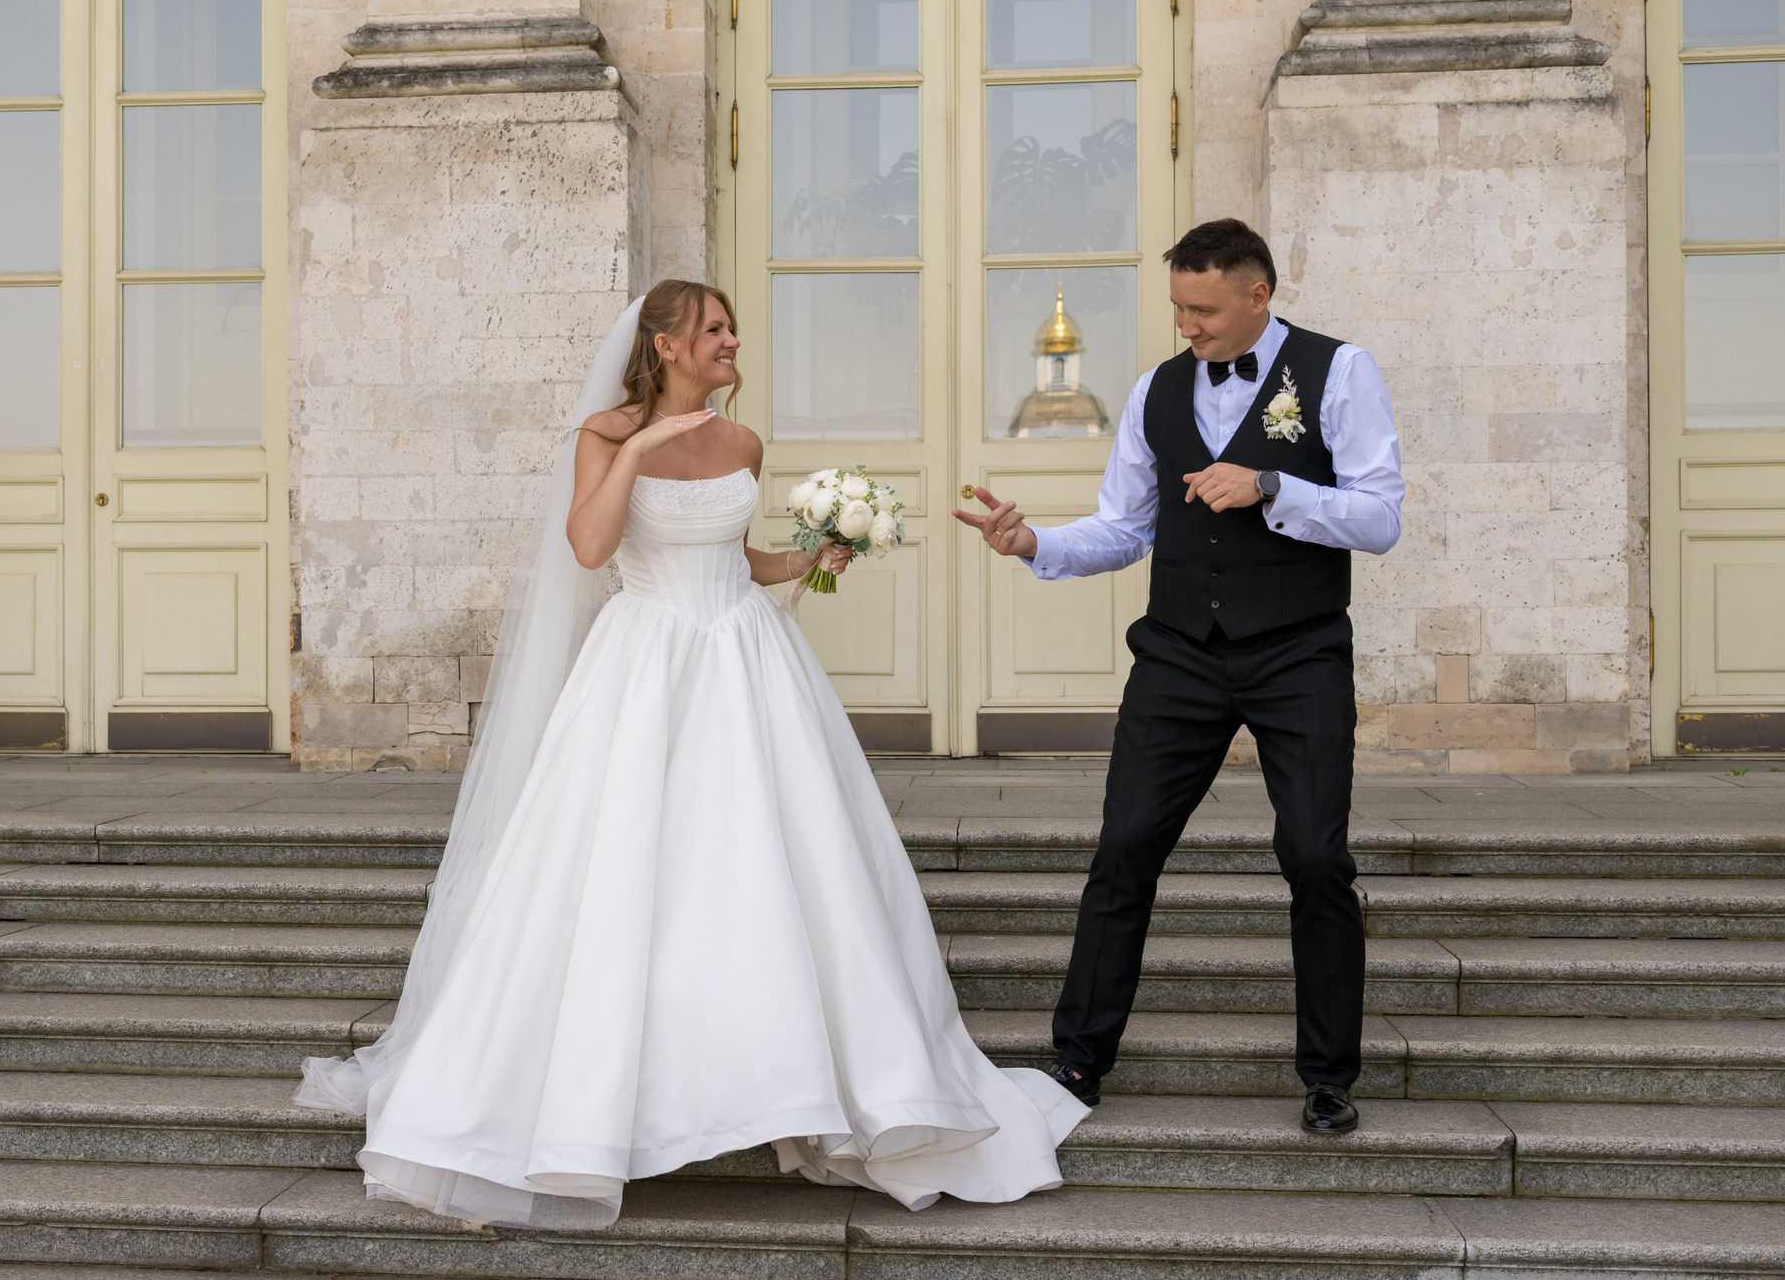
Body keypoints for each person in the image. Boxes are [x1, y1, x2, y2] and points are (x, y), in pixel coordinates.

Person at [296, 278, 1089, 1229]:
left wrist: (811, 557)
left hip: (749, 659)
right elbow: (589, 549)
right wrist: (635, 449)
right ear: (666, 345)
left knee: (767, 868)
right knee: (627, 872)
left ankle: (794, 1078)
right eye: (713, 329)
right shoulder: (604, 432)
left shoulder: (744, 442)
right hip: (645, 668)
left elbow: (736, 555)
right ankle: (600, 1106)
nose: (731, 339)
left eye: (731, 327)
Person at [955, 220, 1404, 1135]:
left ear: (1257, 296)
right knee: (1124, 848)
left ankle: (1328, 1076)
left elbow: (1380, 516)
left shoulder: (1341, 372)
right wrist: (1034, 540)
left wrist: (1276, 488)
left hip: (1299, 650)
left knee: (1315, 857)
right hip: (1180, 652)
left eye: (1202, 309)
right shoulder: (1154, 391)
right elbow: (1124, 527)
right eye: (1177, 309)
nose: (1186, 327)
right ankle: (1077, 1057)